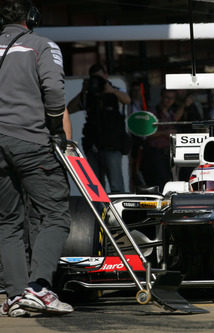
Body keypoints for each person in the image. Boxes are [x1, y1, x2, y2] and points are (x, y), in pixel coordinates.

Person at [0, 0, 73, 316]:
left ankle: (15, 297)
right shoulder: (41, 46)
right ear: (32, 19)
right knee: (55, 214)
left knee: (6, 221)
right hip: (30, 141)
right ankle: (39, 288)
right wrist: (56, 129)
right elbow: (55, 93)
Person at [68, 63, 131, 193]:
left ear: (106, 76)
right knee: (95, 186)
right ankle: (98, 212)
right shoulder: (88, 95)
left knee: (116, 185)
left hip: (112, 145)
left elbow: (127, 100)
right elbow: (69, 108)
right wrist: (84, 90)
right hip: (93, 146)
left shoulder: (116, 91)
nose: (97, 82)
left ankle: (118, 212)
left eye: (100, 78)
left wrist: (112, 91)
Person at [140, 89, 176, 189]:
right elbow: (145, 133)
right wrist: (165, 133)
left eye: (172, 98)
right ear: (161, 97)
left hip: (168, 153)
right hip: (155, 153)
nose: (169, 101)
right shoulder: (152, 112)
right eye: (166, 98)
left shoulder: (171, 113)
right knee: (158, 182)